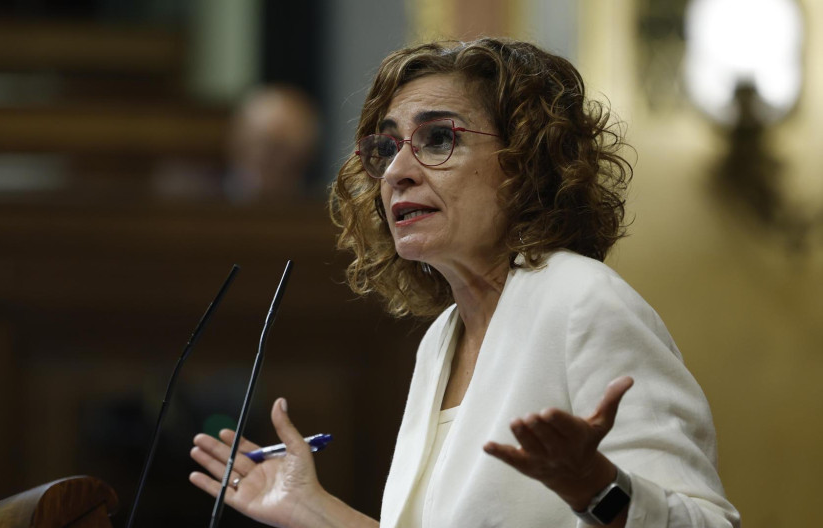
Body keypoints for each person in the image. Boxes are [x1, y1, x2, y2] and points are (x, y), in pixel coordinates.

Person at [188, 38, 741, 527]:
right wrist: (315, 511)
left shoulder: (583, 301)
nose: (397, 171)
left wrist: (597, 489)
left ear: (524, 161)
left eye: (436, 139)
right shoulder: (442, 339)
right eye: (386, 148)